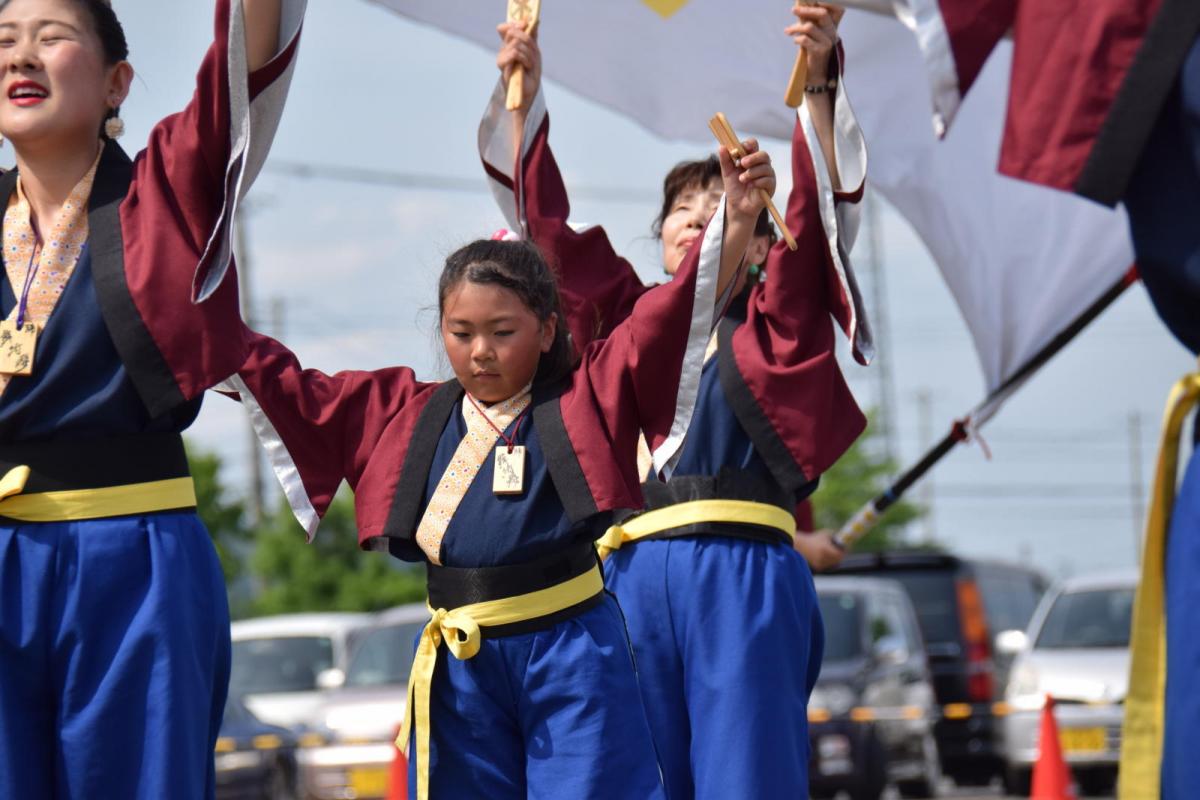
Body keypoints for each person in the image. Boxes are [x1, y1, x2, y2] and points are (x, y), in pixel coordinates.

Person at [222, 129, 777, 796]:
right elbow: (291, 385)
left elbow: (661, 319)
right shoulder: (402, 407)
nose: (480, 351)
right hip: (463, 662)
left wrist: (739, 220)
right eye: (461, 334)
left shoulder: (586, 395)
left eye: (502, 332)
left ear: (547, 330)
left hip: (572, 653)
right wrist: (201, 327)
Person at [484, 4, 867, 796]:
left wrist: (821, 79)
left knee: (747, 774)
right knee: (633, 774)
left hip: (742, 569)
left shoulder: (777, 324)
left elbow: (819, 218)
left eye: (720, 216)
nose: (699, 227)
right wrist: (527, 93)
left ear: (762, 244)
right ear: (657, 237)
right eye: (682, 218)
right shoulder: (624, 322)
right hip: (626, 572)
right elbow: (547, 233)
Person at [0, 0, 305, 797]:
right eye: (3, 43)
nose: (21, 57)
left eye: (52, 38)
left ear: (116, 83)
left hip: (131, 556)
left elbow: (240, 72)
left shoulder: (166, 192)